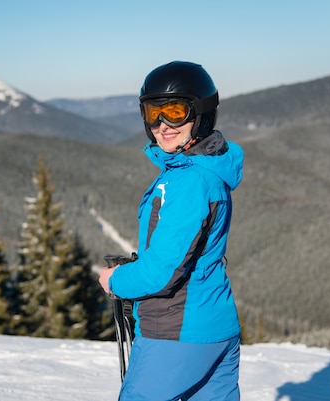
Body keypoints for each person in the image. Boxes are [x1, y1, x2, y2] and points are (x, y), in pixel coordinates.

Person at [98, 61, 244, 401]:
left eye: (176, 112)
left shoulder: (189, 181)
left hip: (176, 330)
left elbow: (161, 271)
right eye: (153, 113)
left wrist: (115, 280)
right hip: (215, 325)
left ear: (201, 114)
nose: (163, 125)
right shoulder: (206, 172)